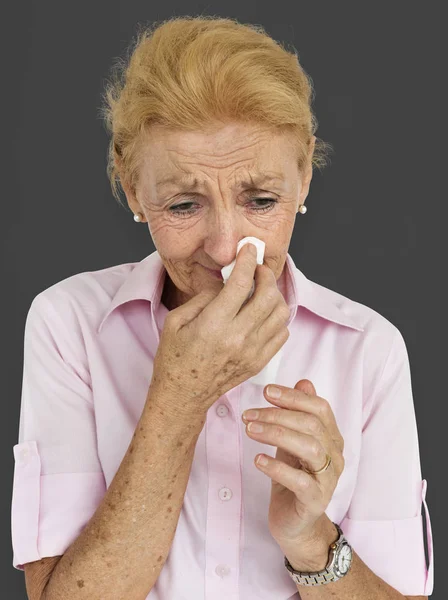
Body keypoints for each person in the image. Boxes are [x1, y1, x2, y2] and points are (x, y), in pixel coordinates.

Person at [11, 15, 433, 600]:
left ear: (304, 175)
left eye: (261, 199)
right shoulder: (69, 325)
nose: (226, 248)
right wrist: (179, 397)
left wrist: (312, 540)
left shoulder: (369, 349)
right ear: (134, 189)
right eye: (184, 205)